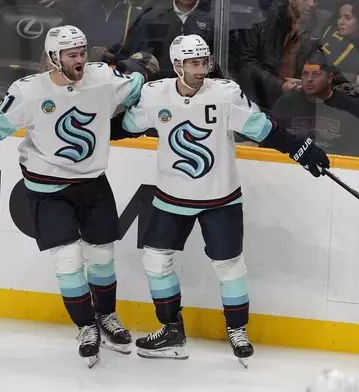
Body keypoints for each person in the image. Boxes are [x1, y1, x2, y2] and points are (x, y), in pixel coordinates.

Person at [117, 34, 330, 365]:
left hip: (221, 198)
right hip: (172, 198)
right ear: (176, 66)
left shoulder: (226, 94)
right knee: (155, 261)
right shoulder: (153, 96)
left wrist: (300, 148)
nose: (202, 70)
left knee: (229, 265)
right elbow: (126, 125)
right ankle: (172, 330)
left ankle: (237, 329)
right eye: (193, 64)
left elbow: (264, 129)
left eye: (205, 62)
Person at [0, 25, 163, 369]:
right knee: (67, 261)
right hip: (48, 190)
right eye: (71, 55)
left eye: (81, 53)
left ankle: (106, 315)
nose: (79, 61)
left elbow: (138, 83)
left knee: (102, 256)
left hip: (93, 184)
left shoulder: (102, 78)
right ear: (52, 58)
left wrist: (143, 67)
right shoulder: (29, 91)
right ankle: (86, 326)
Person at [272, 50, 359, 158]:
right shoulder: (286, 103)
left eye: (316, 74)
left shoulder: (351, 108)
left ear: (330, 78)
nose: (309, 79)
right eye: (305, 74)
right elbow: (270, 145)